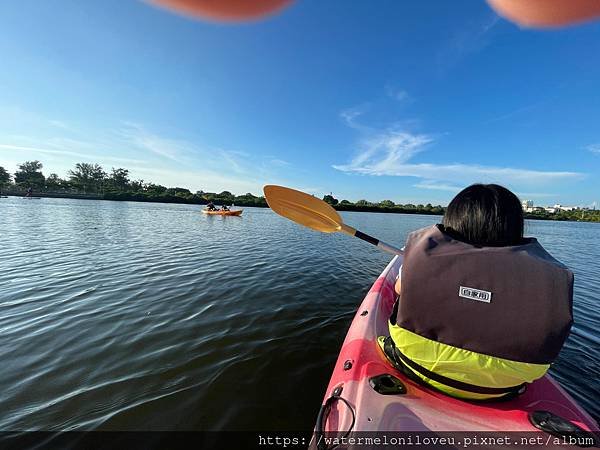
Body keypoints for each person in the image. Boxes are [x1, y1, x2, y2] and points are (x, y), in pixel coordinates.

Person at [381, 184, 574, 401]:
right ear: (515, 225)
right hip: (502, 388)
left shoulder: (426, 253)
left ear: (453, 218)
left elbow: (399, 289)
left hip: (413, 363)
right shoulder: (551, 275)